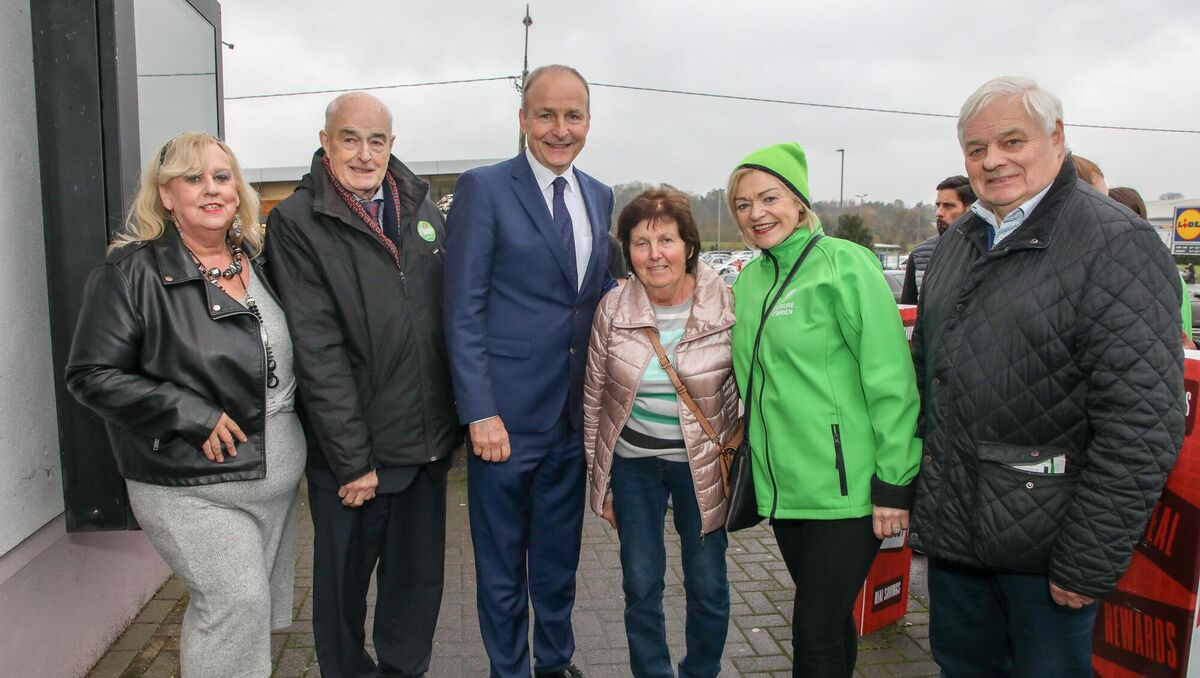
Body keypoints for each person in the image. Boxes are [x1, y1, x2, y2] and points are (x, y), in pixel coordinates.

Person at [910, 76, 1184, 677]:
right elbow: (929, 380)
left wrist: (1087, 557)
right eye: (977, 149)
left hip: (1048, 550)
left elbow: (1142, 423)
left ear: (1056, 138)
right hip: (958, 541)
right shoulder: (960, 241)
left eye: (1013, 140)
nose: (993, 160)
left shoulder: (1116, 243)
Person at [66, 132, 304, 677]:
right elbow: (91, 374)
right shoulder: (129, 274)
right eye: (193, 178)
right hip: (189, 483)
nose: (211, 189)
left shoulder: (261, 262)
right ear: (165, 195)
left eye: (222, 177)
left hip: (276, 479)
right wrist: (190, 413)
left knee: (251, 617)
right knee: (233, 606)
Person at [267, 92, 459, 678]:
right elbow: (317, 351)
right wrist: (351, 461)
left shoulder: (424, 211)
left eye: (377, 140)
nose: (364, 153)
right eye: (350, 138)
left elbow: (447, 319)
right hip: (355, 463)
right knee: (341, 599)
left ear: (392, 145)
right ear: (325, 142)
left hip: (425, 451)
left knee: (415, 591)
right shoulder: (297, 222)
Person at [443, 64, 613, 678]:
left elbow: (598, 296)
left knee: (558, 562)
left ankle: (555, 663)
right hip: (504, 424)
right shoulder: (483, 189)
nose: (559, 129)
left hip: (572, 421)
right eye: (546, 115)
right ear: (523, 120)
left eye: (573, 116)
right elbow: (461, 308)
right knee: (501, 567)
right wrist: (479, 411)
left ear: (588, 123)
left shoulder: (599, 194)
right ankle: (509, 670)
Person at [727, 142, 922, 678]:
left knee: (812, 629)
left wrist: (894, 484)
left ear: (798, 201)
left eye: (769, 198)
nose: (755, 213)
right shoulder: (749, 281)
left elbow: (890, 380)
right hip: (786, 493)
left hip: (849, 492)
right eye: (742, 205)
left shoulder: (845, 264)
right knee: (831, 621)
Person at [583, 186, 736, 678]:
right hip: (634, 469)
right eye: (641, 243)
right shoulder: (613, 309)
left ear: (688, 244)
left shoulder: (727, 304)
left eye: (666, 240)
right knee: (640, 584)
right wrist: (600, 482)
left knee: (708, 584)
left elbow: (748, 392)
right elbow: (595, 402)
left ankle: (701, 672)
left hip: (704, 469)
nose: (655, 255)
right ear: (627, 250)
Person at [899, 176, 974, 304]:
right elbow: (909, 310)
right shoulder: (920, 255)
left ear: (970, 209)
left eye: (948, 206)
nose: (939, 213)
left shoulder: (991, 249)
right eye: (938, 206)